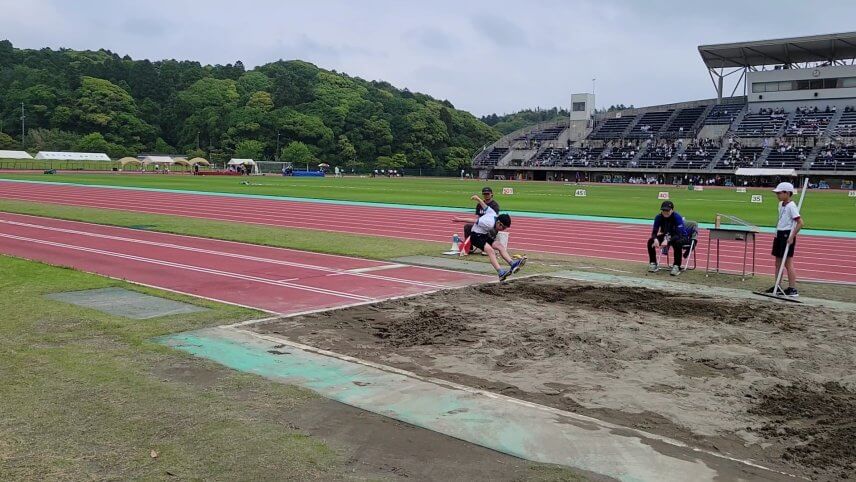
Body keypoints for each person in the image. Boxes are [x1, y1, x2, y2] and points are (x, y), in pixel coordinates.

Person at [455, 196, 524, 281]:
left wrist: (478, 199)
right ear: (499, 223)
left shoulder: (493, 214)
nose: (503, 230)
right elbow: (473, 221)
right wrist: (459, 219)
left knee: (500, 246)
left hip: (483, 235)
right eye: (503, 227)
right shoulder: (489, 223)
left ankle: (512, 264)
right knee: (490, 251)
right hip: (475, 236)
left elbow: (485, 206)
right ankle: (500, 273)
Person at [766, 182, 804, 297]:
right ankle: (777, 285)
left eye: (779, 193)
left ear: (787, 193)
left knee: (788, 263)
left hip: (787, 235)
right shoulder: (780, 204)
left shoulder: (792, 206)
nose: (777, 195)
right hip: (779, 234)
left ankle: (792, 289)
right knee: (777, 263)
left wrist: (791, 237)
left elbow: (800, 223)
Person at [647, 201, 689, 276]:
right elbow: (654, 232)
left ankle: (677, 266)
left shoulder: (677, 217)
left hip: (681, 236)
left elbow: (678, 234)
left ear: (672, 210)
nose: (665, 212)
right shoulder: (658, 217)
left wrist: (667, 240)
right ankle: (653, 263)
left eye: (667, 210)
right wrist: (655, 239)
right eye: (663, 210)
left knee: (677, 243)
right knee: (650, 241)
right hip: (667, 235)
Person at [453, 187, 500, 254]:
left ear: (491, 194)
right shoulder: (479, 205)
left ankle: (487, 247)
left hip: (490, 225)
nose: (486, 195)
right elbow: (478, 217)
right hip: (480, 224)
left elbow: (496, 218)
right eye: (484, 194)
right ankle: (469, 247)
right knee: (467, 226)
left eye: (487, 194)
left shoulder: (494, 205)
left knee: (491, 229)